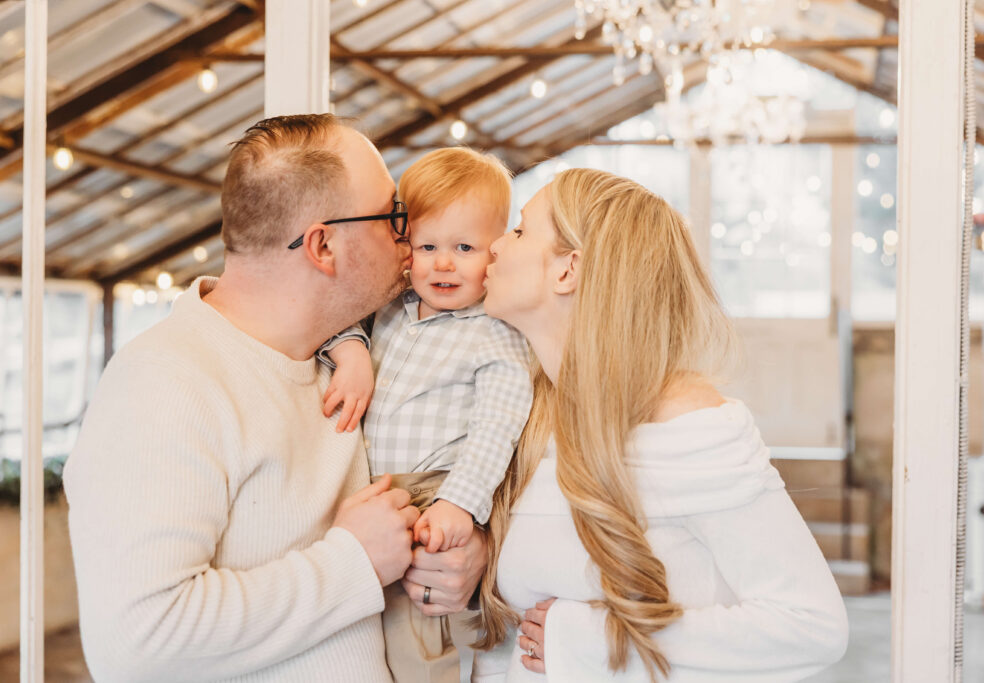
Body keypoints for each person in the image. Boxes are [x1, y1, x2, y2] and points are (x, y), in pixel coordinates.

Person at [62, 114, 487, 683]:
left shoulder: (356, 352)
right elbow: (139, 640)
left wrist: (469, 552)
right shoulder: (164, 383)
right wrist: (352, 565)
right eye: (391, 215)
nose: (408, 234)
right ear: (323, 245)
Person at [471, 168, 849, 681]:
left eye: (518, 230)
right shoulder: (527, 415)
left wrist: (593, 643)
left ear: (568, 269)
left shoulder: (688, 425)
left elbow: (811, 626)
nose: (494, 246)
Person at [322, 147, 534, 683]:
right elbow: (335, 317)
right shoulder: (390, 306)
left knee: (419, 632)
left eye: (465, 247)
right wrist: (349, 351)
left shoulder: (495, 330)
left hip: (432, 495)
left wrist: (459, 504)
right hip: (367, 491)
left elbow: (498, 425)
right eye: (428, 245)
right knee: (359, 631)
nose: (443, 263)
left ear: (496, 250)